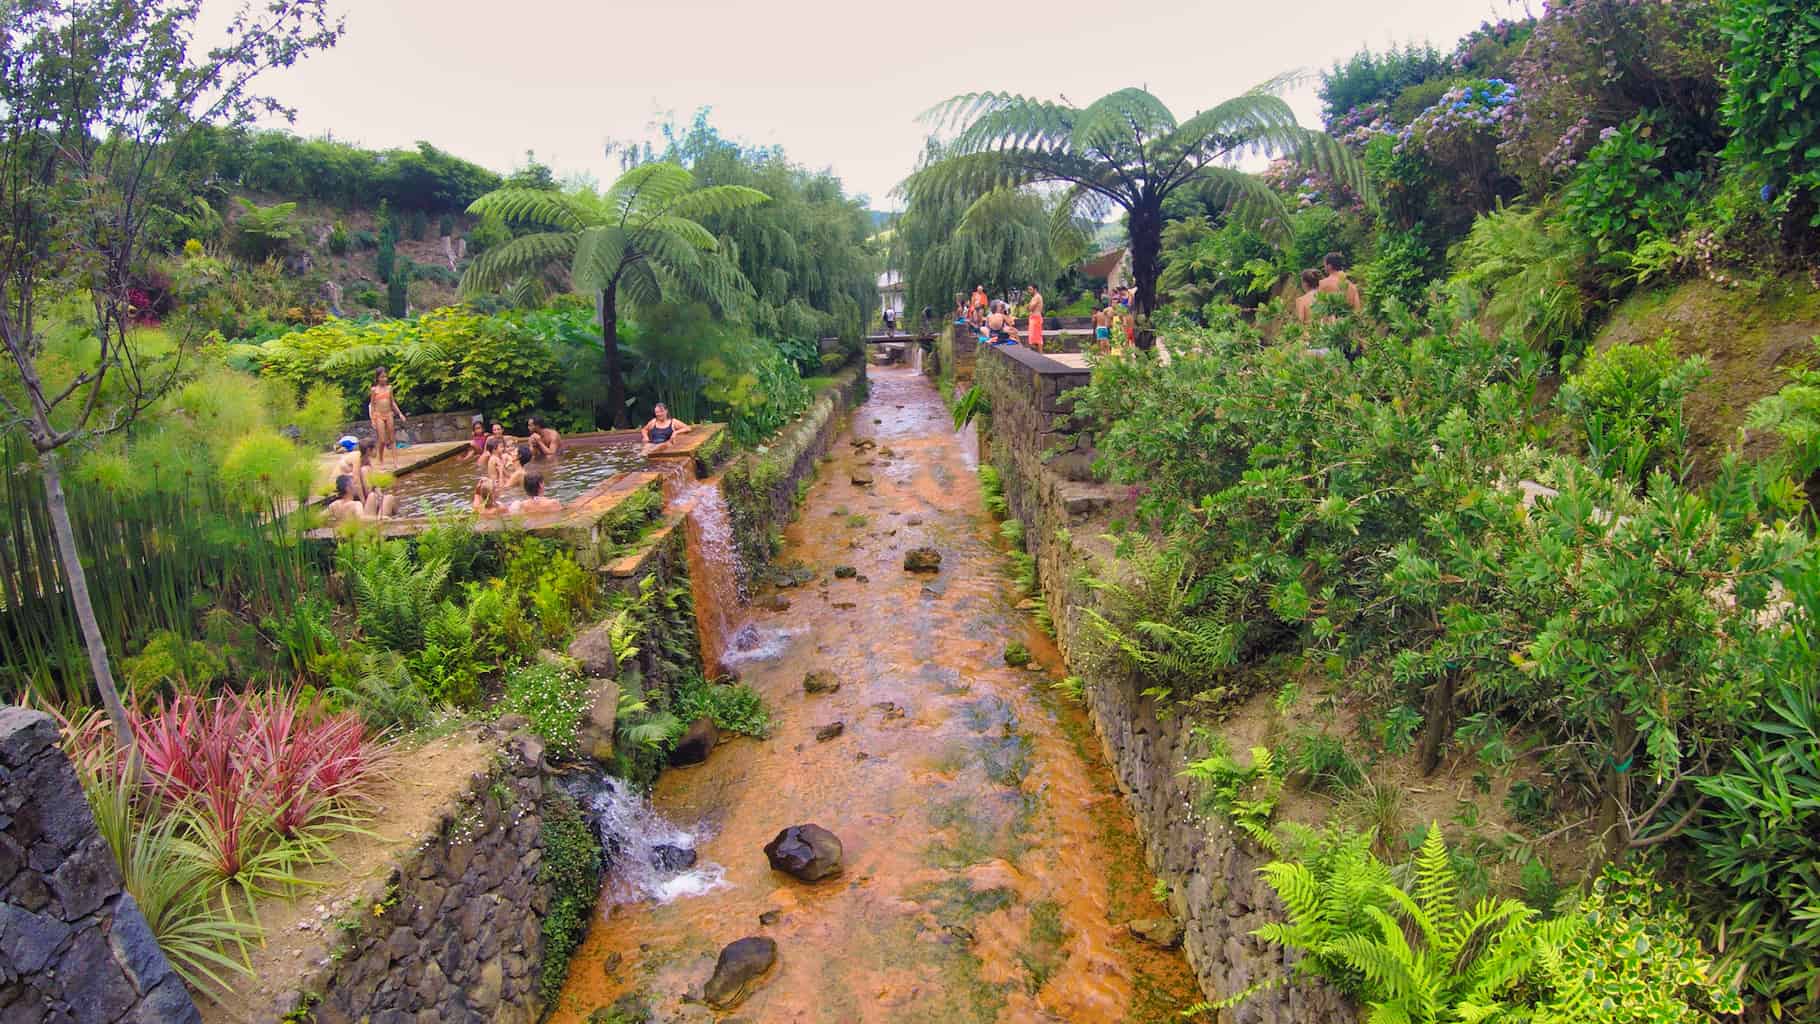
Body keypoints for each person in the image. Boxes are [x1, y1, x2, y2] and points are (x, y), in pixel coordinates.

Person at [367, 368, 407, 466]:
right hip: (379, 415)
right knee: (382, 440)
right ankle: (380, 460)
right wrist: (372, 419)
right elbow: (372, 405)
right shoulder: (374, 390)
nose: (384, 379)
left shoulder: (389, 388)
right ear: (377, 378)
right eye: (382, 377)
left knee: (392, 439)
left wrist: (400, 414)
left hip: (389, 414)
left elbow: (392, 402)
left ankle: (395, 461)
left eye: (385, 376)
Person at [327, 473, 394, 522]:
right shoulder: (356, 504)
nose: (357, 486)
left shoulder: (334, 505)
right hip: (366, 530)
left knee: (372, 495)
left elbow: (320, 517)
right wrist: (381, 518)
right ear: (348, 489)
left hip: (349, 529)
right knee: (389, 498)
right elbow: (361, 518)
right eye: (354, 484)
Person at [1025, 285, 1045, 352]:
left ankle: (1040, 355)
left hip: (1036, 318)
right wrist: (1028, 306)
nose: (1029, 291)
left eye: (1030, 289)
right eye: (1028, 289)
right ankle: (1037, 355)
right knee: (1033, 338)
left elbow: (1030, 308)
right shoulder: (1034, 297)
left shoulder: (1037, 297)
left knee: (1037, 338)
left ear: (1035, 289)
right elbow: (1028, 308)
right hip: (1034, 318)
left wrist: (1028, 306)